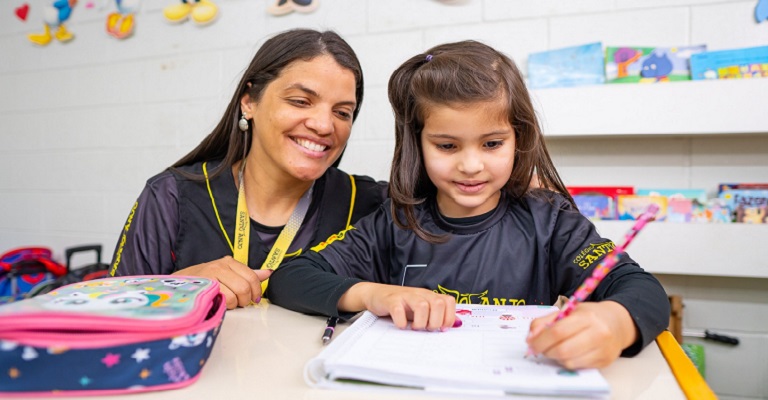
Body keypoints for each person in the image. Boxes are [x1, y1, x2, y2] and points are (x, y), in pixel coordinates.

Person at [268, 40, 670, 370]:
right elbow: (291, 277)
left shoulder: (552, 222)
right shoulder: (396, 221)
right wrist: (375, 295)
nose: (471, 165)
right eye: (446, 145)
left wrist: (614, 323)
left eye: (492, 143)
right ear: (418, 143)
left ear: (519, 138)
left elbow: (641, 290)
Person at [109, 29, 388, 310]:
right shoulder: (171, 196)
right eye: (300, 101)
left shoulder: (371, 205)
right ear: (249, 102)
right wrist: (178, 287)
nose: (325, 125)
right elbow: (110, 310)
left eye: (342, 112)